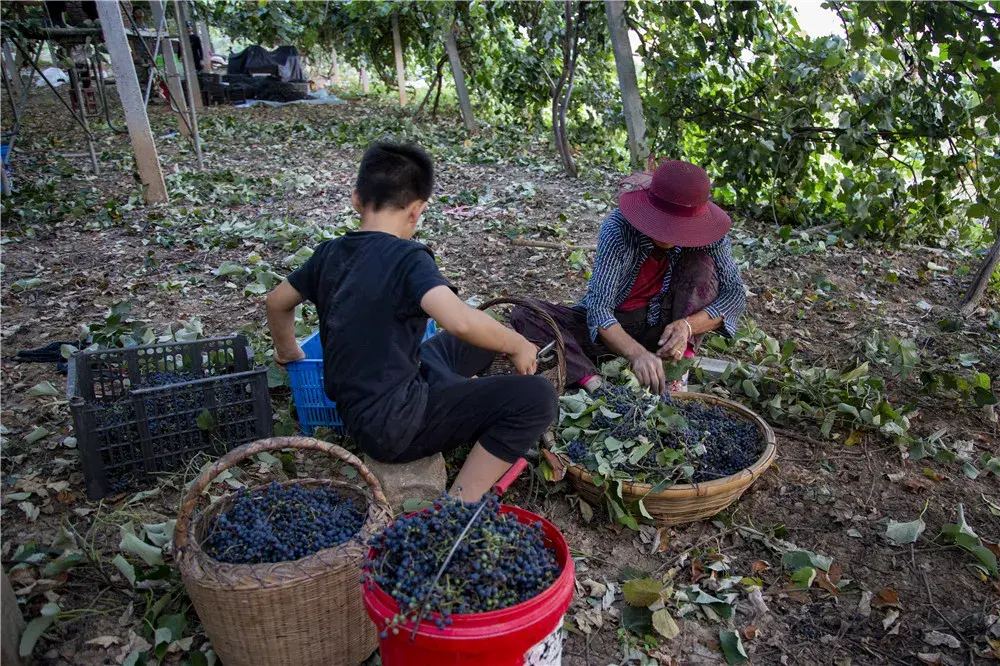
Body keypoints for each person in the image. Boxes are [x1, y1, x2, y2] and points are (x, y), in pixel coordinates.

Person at [266, 143, 557, 501]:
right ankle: (459, 505)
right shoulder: (409, 259)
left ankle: (455, 389)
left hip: (368, 405)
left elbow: (277, 301)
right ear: (417, 211)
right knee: (538, 398)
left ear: (357, 200)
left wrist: (288, 352)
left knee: (480, 335)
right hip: (397, 428)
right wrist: (517, 344)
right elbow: (458, 321)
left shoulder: (329, 253)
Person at [512, 160, 747, 394]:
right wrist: (636, 353)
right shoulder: (619, 228)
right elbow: (598, 308)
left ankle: (676, 370)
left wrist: (686, 327)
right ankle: (594, 383)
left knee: (702, 266)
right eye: (664, 223)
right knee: (526, 313)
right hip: (616, 329)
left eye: (678, 227)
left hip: (665, 331)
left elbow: (735, 294)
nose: (669, 234)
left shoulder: (710, 236)